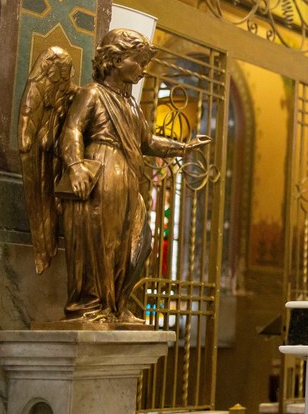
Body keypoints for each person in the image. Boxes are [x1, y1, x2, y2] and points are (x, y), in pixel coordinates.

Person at [56, 28, 209, 325]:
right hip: (100, 172)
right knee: (99, 239)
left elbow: (148, 141)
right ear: (114, 60)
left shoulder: (131, 105)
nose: (142, 70)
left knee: (134, 242)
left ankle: (115, 305)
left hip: (127, 177)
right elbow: (72, 129)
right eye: (136, 61)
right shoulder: (93, 94)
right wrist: (75, 165)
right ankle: (91, 305)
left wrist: (184, 146)